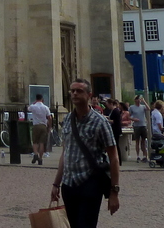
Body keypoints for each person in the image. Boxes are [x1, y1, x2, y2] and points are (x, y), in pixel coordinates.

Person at [51, 79, 121, 228]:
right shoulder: (68, 119)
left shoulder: (100, 122)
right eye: (72, 90)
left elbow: (113, 157)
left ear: (89, 94)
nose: (75, 93)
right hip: (69, 185)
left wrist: (114, 191)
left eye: (79, 91)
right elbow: (66, 152)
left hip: (90, 183)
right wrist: (56, 184)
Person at [28, 93, 53, 165]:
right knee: (42, 143)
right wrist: (50, 126)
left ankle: (35, 154)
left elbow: (28, 108)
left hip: (36, 125)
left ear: (36, 99)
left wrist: (34, 102)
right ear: (42, 99)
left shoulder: (33, 106)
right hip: (43, 125)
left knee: (35, 142)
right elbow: (49, 117)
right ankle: (40, 158)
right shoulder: (45, 107)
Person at [128, 95, 148, 162]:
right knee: (137, 141)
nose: (138, 101)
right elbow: (128, 116)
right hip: (137, 126)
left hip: (143, 125)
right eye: (137, 99)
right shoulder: (132, 107)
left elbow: (148, 108)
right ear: (135, 100)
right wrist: (133, 119)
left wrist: (144, 101)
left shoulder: (142, 107)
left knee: (144, 141)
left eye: (139, 99)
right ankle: (138, 156)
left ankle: (145, 156)